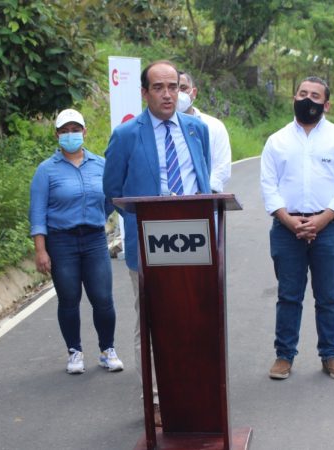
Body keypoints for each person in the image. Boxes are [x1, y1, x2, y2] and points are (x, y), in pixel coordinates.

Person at [103, 60, 211, 424]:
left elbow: (203, 182)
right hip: (148, 244)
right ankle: (155, 400)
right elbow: (114, 190)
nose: (168, 94)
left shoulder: (197, 129)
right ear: (145, 93)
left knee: (194, 317)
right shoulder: (127, 135)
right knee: (151, 322)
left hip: (196, 242)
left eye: (174, 87)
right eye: (160, 88)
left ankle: (194, 389)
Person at [260, 76, 334, 381]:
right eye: (302, 93)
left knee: (328, 295)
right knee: (289, 295)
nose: (307, 99)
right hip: (286, 227)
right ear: (294, 97)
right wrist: (288, 219)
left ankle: (330, 355)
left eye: (315, 96)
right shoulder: (277, 140)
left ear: (326, 104)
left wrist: (323, 219)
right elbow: (268, 184)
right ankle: (284, 356)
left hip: (329, 227)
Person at [29, 108, 124, 375]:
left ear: (84, 132)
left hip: (94, 238)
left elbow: (109, 200)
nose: (71, 135)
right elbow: (37, 212)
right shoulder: (46, 171)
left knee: (103, 298)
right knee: (69, 299)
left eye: (75, 129)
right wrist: (40, 249)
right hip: (62, 242)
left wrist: (95, 217)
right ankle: (75, 352)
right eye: (65, 131)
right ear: (57, 135)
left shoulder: (99, 165)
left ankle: (107, 350)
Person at [177, 71, 232, 192]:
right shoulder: (160, 127)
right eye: (173, 88)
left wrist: (203, 192)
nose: (178, 93)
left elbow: (223, 167)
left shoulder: (214, 127)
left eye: (183, 88)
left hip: (206, 201)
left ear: (194, 92)